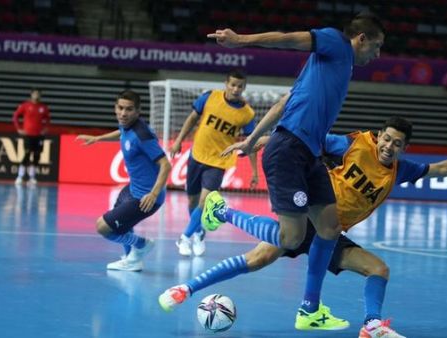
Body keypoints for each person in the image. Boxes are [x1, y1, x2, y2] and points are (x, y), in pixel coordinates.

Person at [159, 116, 447, 337]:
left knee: (378, 269)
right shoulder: (353, 145)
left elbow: (440, 169)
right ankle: (199, 262)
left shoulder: (399, 170)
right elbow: (305, 139)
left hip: (332, 232)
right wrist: (258, 142)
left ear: (405, 148)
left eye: (398, 143)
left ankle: (371, 325)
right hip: (315, 213)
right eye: (387, 138)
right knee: (258, 258)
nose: (390, 146)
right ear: (379, 136)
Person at [199, 13, 386, 330]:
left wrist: (252, 139)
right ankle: (222, 211)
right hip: (290, 150)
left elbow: (284, 103)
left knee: (329, 228)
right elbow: (289, 37)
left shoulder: (329, 69)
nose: (377, 55)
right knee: (292, 237)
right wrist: (241, 40)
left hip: (310, 154)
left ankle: (309, 310)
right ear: (361, 39)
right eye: (377, 47)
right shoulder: (336, 43)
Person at [76, 90, 171, 272]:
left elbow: (166, 165)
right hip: (133, 188)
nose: (123, 113)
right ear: (115, 107)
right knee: (122, 224)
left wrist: (153, 193)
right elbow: (119, 132)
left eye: (129, 109)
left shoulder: (142, 135)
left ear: (138, 111)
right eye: (120, 108)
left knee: (103, 227)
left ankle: (141, 245)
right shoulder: (126, 125)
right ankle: (132, 260)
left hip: (146, 198)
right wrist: (98, 139)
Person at [169, 69, 259, 257]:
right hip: (197, 155)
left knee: (204, 201)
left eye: (240, 86)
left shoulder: (247, 114)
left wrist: (254, 171)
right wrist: (178, 141)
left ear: (244, 88)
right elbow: (192, 119)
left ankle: (184, 237)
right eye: (233, 85)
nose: (235, 89)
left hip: (219, 161)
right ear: (226, 84)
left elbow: (251, 142)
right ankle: (199, 232)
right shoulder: (209, 97)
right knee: (192, 200)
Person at [12, 88, 51, 185]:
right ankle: (20, 176)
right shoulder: (25, 106)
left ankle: (32, 177)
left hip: (38, 135)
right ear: (31, 95)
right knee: (27, 153)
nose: (36, 96)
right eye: (35, 94)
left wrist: (45, 128)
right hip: (28, 134)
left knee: (37, 155)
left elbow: (47, 119)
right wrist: (19, 128)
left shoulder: (43, 107)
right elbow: (16, 116)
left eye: (38, 94)